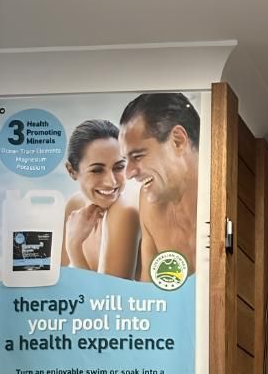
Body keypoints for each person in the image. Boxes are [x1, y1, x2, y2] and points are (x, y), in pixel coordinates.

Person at [119, 93, 200, 279]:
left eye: (138, 156)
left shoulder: (220, 196)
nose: (129, 173)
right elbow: (149, 298)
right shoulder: (149, 202)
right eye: (126, 160)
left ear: (177, 141)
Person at [61, 118, 141, 280]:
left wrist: (74, 247)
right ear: (71, 171)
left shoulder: (124, 211)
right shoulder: (75, 204)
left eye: (119, 167)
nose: (111, 182)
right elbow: (61, 280)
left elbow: (107, 299)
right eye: (97, 170)